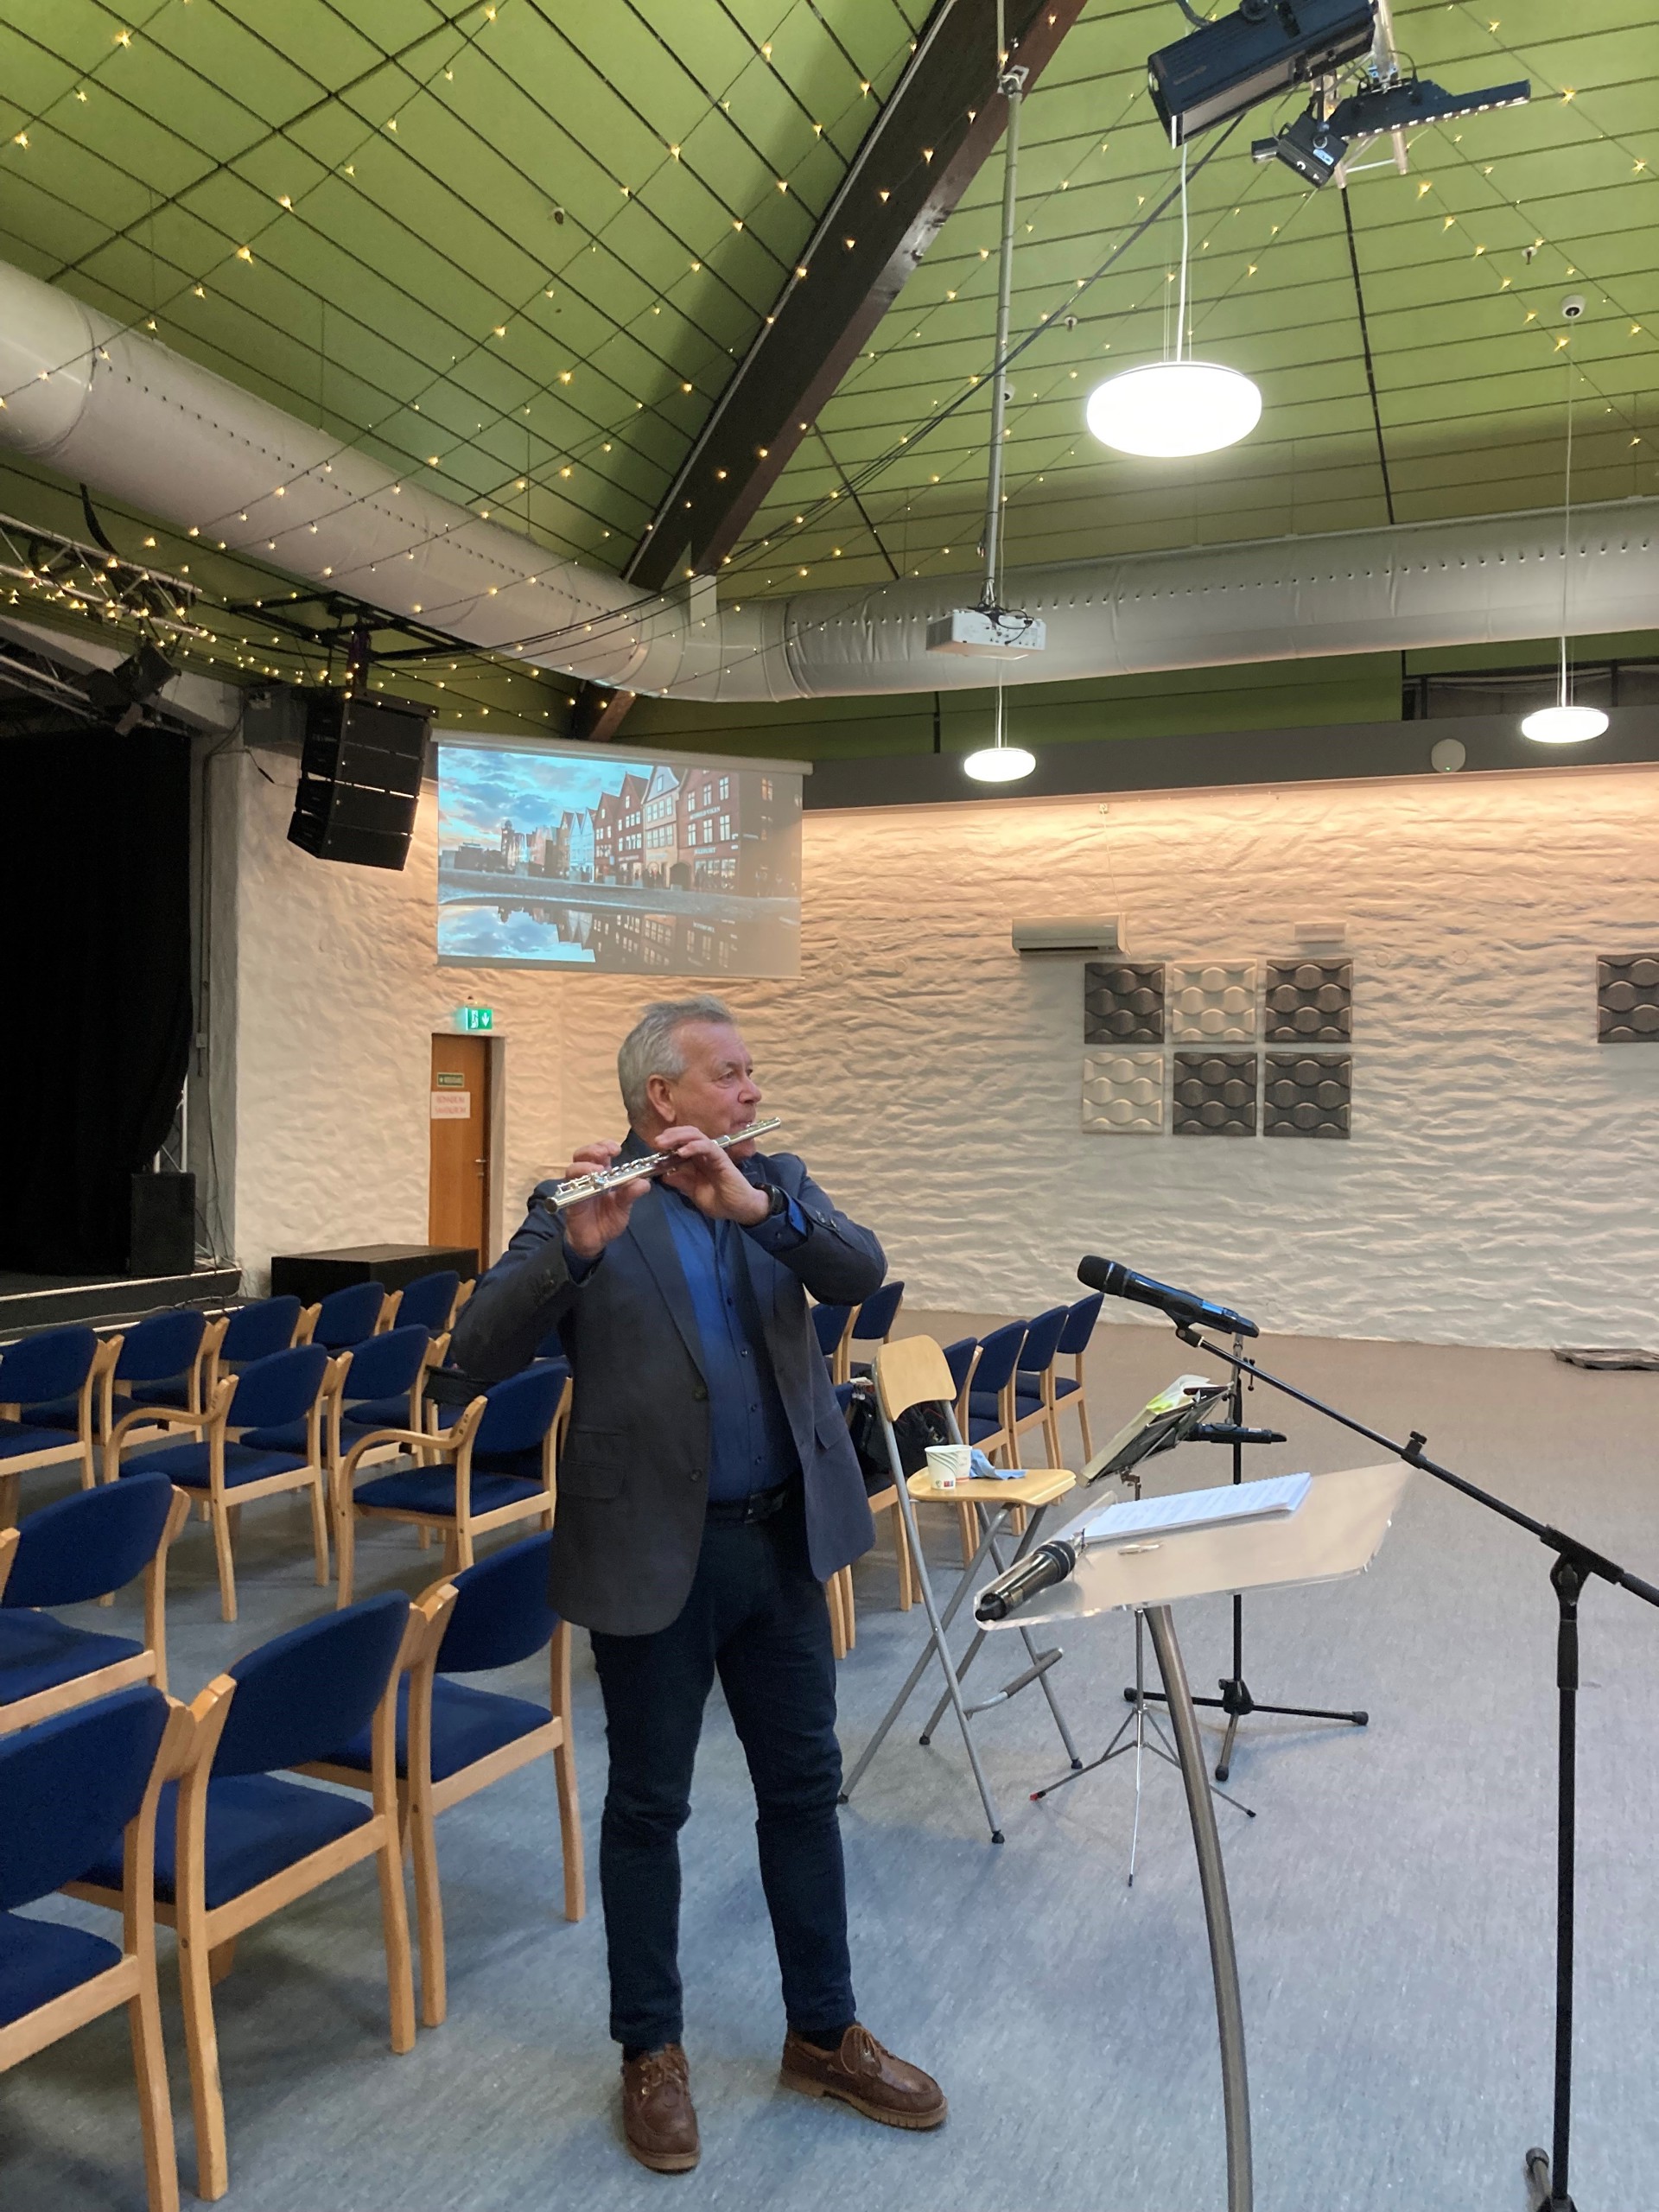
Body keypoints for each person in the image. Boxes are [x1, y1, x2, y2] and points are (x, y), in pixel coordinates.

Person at [450, 995, 945, 2171]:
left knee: (804, 1789)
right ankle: (650, 2051)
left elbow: (861, 1270)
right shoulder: (577, 1204)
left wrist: (757, 1208)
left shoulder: (775, 1181)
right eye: (729, 1074)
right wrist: (577, 1249)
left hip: (780, 1544)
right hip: (653, 1551)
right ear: (659, 1095)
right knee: (649, 1808)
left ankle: (823, 2032)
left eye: (750, 1072)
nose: (752, 1090)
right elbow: (473, 1352)